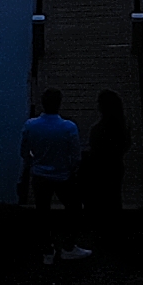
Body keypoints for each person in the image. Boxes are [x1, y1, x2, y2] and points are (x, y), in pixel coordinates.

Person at [21, 88, 87, 258]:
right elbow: (76, 157)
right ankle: (68, 246)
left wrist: (33, 164)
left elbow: (24, 151)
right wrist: (70, 169)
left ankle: (47, 250)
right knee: (74, 209)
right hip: (63, 176)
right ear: (59, 103)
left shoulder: (31, 125)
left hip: (40, 176)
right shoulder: (68, 127)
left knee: (42, 212)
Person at [80, 91, 130, 222]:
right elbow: (125, 146)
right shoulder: (122, 127)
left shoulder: (97, 129)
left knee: (99, 201)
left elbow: (94, 149)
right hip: (116, 167)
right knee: (114, 198)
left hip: (99, 170)